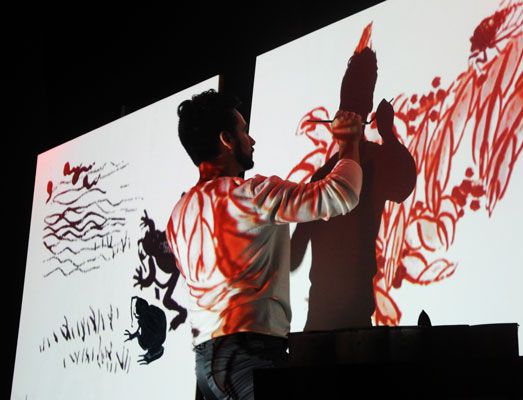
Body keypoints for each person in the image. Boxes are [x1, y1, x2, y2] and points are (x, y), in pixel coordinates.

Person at [165, 89, 364, 399]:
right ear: (226, 140)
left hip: (208, 364)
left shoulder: (179, 214)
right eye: (244, 131)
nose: (252, 140)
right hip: (248, 357)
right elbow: (341, 193)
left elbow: (273, 261)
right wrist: (349, 143)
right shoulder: (249, 195)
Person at [291, 47, 416, 331]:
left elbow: (293, 257)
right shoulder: (370, 163)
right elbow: (403, 185)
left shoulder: (324, 176)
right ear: (369, 106)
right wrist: (387, 132)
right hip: (349, 322)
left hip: (325, 322)